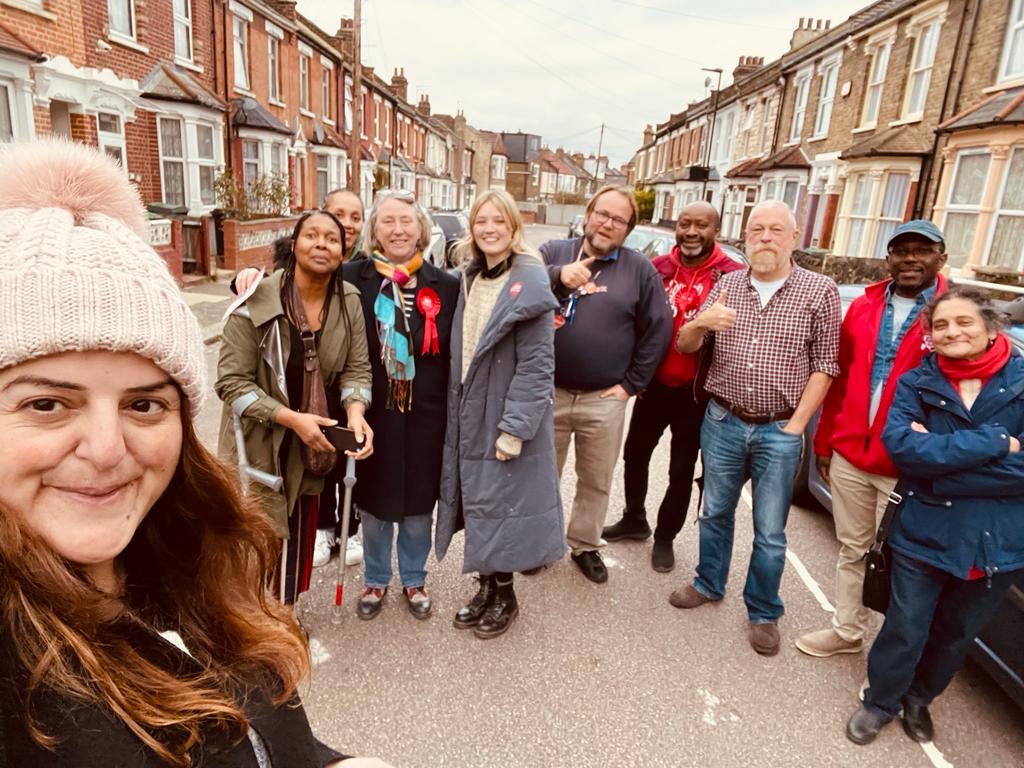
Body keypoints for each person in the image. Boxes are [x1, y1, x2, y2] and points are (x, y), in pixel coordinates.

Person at [0, 139, 390, 767]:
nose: (106, 451)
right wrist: (291, 418)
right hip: (271, 453)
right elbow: (235, 385)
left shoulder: (189, 561)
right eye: (46, 404)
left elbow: (269, 739)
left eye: (144, 404)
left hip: (316, 458)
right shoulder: (252, 308)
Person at [846, 286, 1024, 746]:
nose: (953, 332)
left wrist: (942, 471)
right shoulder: (917, 382)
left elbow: (932, 462)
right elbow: (905, 450)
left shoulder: (1022, 380)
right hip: (925, 531)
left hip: (996, 540)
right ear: (930, 336)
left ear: (989, 326)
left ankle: (920, 698)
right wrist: (995, 443)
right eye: (941, 325)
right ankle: (880, 701)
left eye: (964, 322)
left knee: (956, 632)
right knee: (906, 626)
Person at [670, 200, 840, 656]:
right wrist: (702, 321)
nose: (765, 237)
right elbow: (686, 343)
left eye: (775, 230)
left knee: (770, 530)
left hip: (778, 429)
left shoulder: (819, 290)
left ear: (794, 236)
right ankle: (709, 582)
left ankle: (764, 610)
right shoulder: (727, 284)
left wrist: (796, 428)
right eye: (756, 229)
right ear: (745, 237)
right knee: (715, 512)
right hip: (723, 420)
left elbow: (825, 365)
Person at [796, 220, 948, 658]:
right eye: (902, 250)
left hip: (909, 466)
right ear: (889, 257)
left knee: (906, 565)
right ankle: (847, 631)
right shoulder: (863, 307)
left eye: (923, 250)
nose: (911, 259)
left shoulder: (952, 312)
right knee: (853, 549)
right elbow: (838, 380)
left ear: (941, 257)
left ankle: (896, 656)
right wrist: (825, 442)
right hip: (851, 456)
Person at [217, 210, 374, 606]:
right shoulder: (256, 299)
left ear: (345, 250)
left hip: (310, 443)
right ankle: (251, 618)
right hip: (261, 441)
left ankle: (285, 610)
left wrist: (356, 412)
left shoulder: (348, 300)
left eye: (332, 239)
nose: (322, 244)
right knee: (257, 533)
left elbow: (357, 367)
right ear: (294, 244)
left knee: (300, 532)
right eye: (312, 236)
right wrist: (289, 419)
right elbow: (231, 383)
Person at [435, 189, 565, 639]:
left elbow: (536, 366)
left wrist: (514, 429)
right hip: (468, 408)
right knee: (479, 502)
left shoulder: (529, 282)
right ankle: (486, 585)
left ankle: (505, 595)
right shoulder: (471, 276)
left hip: (502, 413)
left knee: (504, 504)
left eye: (498, 221)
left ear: (513, 227)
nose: (489, 229)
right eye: (481, 222)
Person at [540, 185, 672, 583]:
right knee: (543, 476)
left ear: (628, 229)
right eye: (602, 213)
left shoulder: (639, 269)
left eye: (618, 219)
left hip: (604, 398)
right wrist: (556, 277)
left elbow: (659, 329)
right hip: (549, 392)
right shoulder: (552, 253)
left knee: (596, 479)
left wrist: (632, 384)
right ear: (588, 213)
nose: (607, 223)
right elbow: (518, 290)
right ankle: (541, 544)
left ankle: (583, 544)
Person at [602, 201, 742, 573]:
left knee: (681, 469)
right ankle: (634, 518)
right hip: (654, 385)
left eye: (702, 225)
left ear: (717, 230)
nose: (692, 232)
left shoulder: (732, 275)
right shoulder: (657, 269)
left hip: (697, 393)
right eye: (684, 224)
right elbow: (632, 323)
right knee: (635, 454)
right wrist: (634, 374)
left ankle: (665, 535)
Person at [343, 190, 459, 620]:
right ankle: (376, 578)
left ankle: (413, 577)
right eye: (388, 221)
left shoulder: (446, 285)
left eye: (406, 221)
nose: (397, 229)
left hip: (427, 416)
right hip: (373, 414)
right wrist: (242, 277)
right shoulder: (351, 278)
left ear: (421, 230)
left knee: (417, 507)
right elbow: (297, 280)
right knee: (375, 504)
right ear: (375, 229)